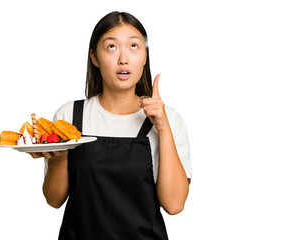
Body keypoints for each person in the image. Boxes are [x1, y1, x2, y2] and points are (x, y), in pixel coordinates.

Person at [29, 11, 192, 240]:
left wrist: (163, 129)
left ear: (145, 56)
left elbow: (174, 205)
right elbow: (54, 200)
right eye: (112, 47)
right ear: (94, 57)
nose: (123, 58)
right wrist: (59, 159)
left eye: (134, 46)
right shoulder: (69, 116)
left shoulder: (169, 119)